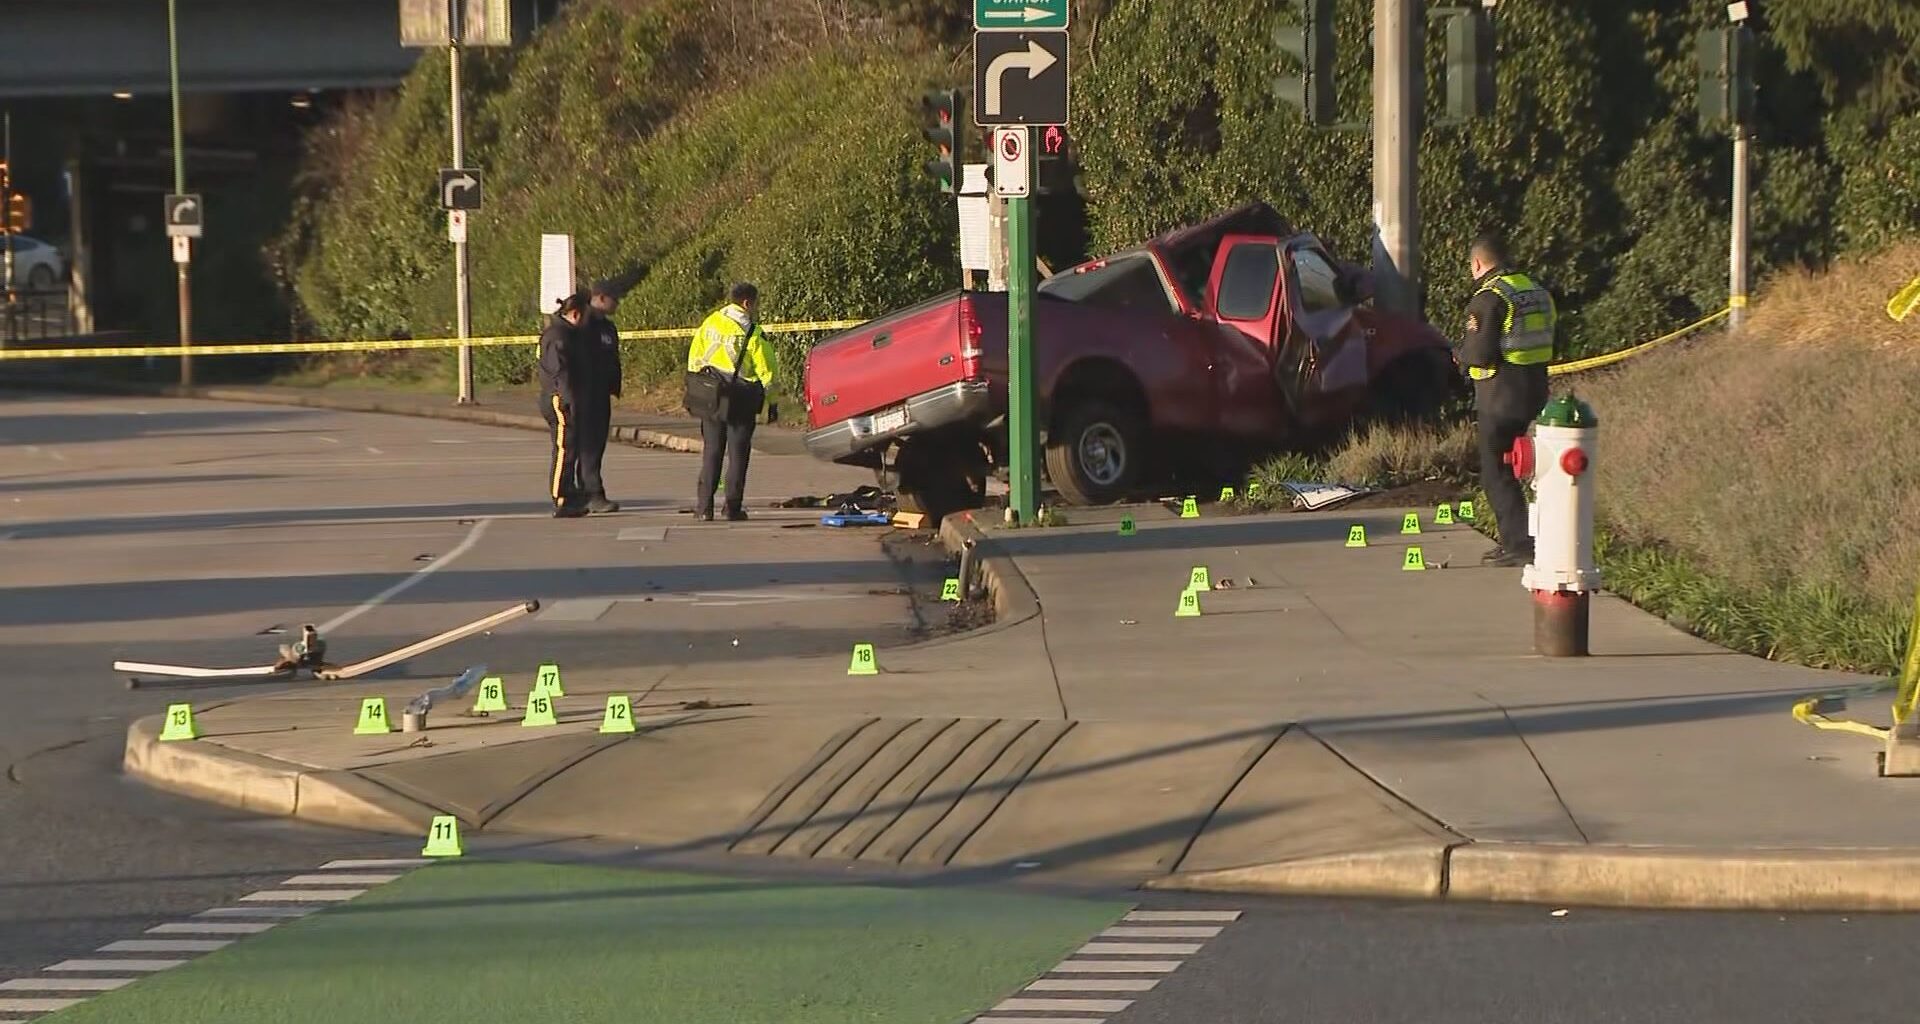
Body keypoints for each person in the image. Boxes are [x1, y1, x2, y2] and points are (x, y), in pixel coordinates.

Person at [1459, 233, 1556, 567]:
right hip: (1536, 390)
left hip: (1499, 397)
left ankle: (1518, 543)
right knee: (1531, 467)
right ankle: (1540, 535)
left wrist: (1457, 356)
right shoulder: (1535, 289)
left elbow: (1480, 354)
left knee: (1496, 470)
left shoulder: (1489, 298)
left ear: (1477, 263)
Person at [686, 282, 775, 521]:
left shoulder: (711, 322)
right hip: (741, 398)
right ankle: (732, 507)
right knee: (738, 454)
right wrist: (772, 401)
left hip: (712, 396)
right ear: (747, 303)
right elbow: (767, 370)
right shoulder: (752, 331)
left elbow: (694, 359)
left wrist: (700, 389)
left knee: (712, 452)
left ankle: (704, 507)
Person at [538, 291, 592, 518]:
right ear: (576, 314)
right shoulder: (559, 335)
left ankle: (569, 493)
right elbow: (560, 371)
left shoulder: (567, 333)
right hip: (559, 399)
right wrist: (568, 399)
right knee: (563, 448)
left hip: (566, 397)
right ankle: (560, 496)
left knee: (571, 448)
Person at [577, 280, 626, 513]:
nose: (618, 303)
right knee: (589, 446)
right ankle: (592, 493)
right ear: (602, 298)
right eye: (615, 298)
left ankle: (586, 491)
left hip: (601, 392)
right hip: (585, 393)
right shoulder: (585, 323)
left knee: (596, 445)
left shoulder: (607, 327)